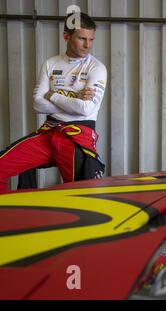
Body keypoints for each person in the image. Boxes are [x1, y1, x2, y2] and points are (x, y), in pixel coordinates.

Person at [0, 12, 106, 193]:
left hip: (77, 136)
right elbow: (37, 105)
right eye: (82, 38)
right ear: (66, 36)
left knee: (78, 194)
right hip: (48, 133)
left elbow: (85, 108)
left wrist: (53, 95)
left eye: (91, 39)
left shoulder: (96, 67)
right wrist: (74, 98)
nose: (87, 45)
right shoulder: (51, 63)